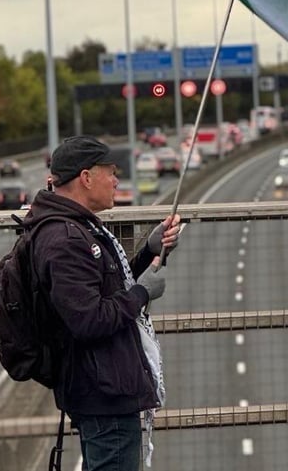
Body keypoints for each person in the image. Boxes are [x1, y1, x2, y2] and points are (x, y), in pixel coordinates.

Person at [24, 135, 182, 470]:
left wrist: (149, 253)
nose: (117, 180)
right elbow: (89, 319)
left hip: (100, 384)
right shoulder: (65, 240)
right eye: (111, 172)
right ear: (86, 177)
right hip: (103, 392)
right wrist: (142, 293)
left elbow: (105, 286)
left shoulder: (73, 227)